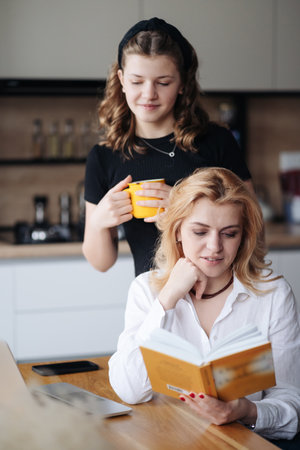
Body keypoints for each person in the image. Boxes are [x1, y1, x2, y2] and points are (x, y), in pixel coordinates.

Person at [108, 167, 300, 446]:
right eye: (200, 232)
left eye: (229, 233)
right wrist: (168, 298)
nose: (214, 247)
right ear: (177, 232)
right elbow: (130, 390)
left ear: (244, 236)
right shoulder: (147, 290)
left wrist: (245, 411)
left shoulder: (272, 295)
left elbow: (292, 406)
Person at [83, 17, 254, 277]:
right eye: (137, 81)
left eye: (163, 82)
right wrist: (98, 223)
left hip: (218, 298)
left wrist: (183, 207)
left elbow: (254, 230)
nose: (149, 94)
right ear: (121, 80)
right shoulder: (104, 157)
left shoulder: (217, 143)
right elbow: (101, 263)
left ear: (183, 83)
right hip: (153, 302)